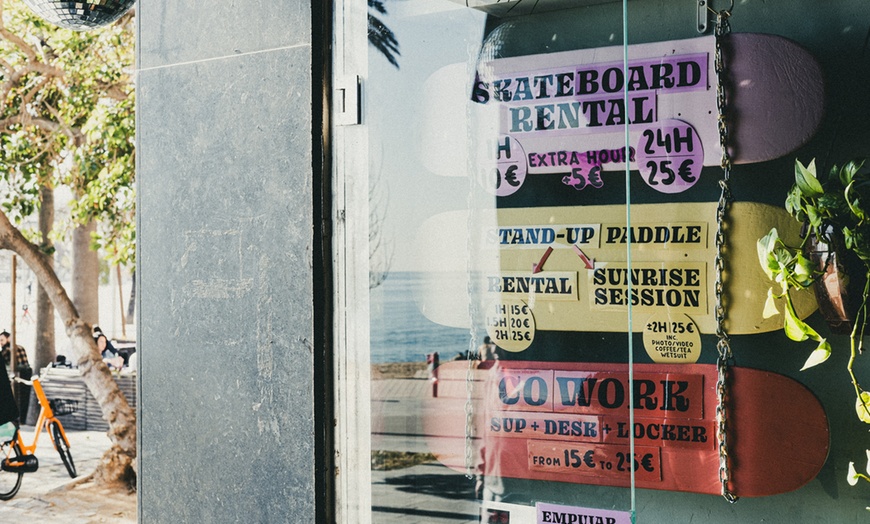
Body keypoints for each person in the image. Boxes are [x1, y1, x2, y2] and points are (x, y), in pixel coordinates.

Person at [0, 331, 31, 420]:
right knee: (23, 400)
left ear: (9, 338)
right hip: (25, 375)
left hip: (17, 376)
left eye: (2, 340)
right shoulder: (20, 347)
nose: (0, 343)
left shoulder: (7, 350)